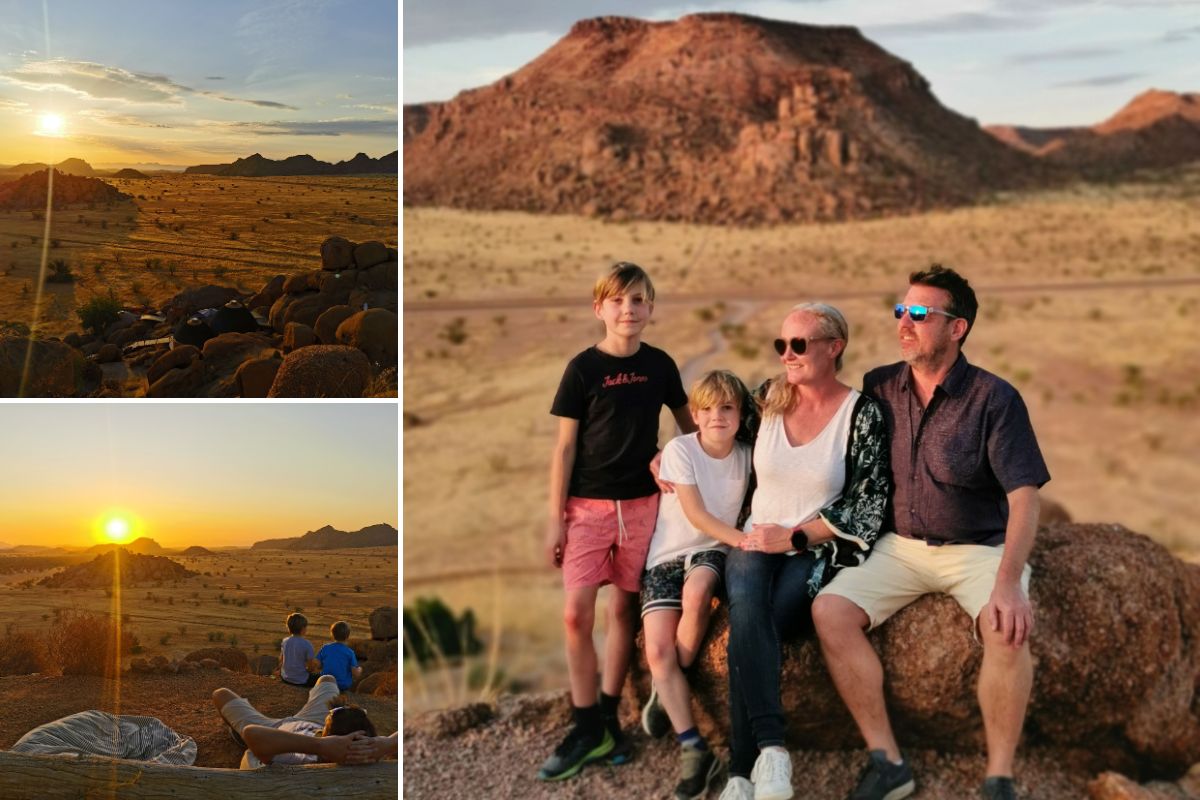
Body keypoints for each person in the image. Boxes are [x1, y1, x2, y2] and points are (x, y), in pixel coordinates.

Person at [811, 266, 1050, 800]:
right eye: (901, 311)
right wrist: (693, 451)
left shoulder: (995, 399)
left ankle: (1000, 776)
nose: (905, 322)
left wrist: (1009, 581)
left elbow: (1024, 496)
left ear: (957, 327)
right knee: (830, 612)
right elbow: (807, 413)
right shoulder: (878, 386)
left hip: (976, 549)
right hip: (898, 547)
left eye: (920, 314)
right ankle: (889, 761)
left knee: (1006, 628)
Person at [720, 303, 890, 800]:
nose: (786, 355)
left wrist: (795, 538)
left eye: (798, 345)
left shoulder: (862, 415)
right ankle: (770, 753)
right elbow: (716, 431)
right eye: (781, 345)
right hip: (753, 537)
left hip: (814, 551)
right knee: (747, 609)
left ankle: (737, 773)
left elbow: (869, 503)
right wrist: (670, 455)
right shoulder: (768, 399)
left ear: (834, 347)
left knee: (761, 622)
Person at [538, 262, 696, 781]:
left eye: (639, 300)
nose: (629, 310)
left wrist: (666, 457)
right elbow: (564, 449)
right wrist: (555, 520)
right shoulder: (582, 369)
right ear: (599, 308)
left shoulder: (661, 366)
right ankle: (586, 724)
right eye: (618, 301)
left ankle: (608, 719)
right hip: (586, 508)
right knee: (576, 615)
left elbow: (690, 430)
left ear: (650, 308)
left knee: (623, 612)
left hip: (645, 507)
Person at [638, 369, 755, 800]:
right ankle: (694, 747)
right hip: (667, 554)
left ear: (741, 414)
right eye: (706, 409)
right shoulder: (680, 450)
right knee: (655, 651)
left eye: (727, 408)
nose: (717, 417)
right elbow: (696, 514)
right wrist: (747, 540)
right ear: (694, 414)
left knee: (699, 592)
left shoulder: (748, 453)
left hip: (713, 550)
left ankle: (669, 682)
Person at [212, 674, 398, 768]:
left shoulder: (301, 757)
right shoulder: (366, 748)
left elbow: (252, 733)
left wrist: (320, 745)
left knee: (221, 695)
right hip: (312, 721)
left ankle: (235, 736)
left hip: (274, 729)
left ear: (332, 742)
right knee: (327, 679)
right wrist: (387, 743)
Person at [317, 620, 363, 691]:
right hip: (342, 686)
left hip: (324, 682)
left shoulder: (325, 648)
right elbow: (355, 674)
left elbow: (318, 666)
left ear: (332, 634)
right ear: (347, 636)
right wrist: (360, 669)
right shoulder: (350, 652)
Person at [276, 612, 318, 688]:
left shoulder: (285, 641)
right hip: (302, 681)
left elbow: (281, 660)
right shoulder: (307, 644)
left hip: (285, 678)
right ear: (302, 629)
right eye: (306, 627)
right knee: (321, 677)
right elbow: (310, 668)